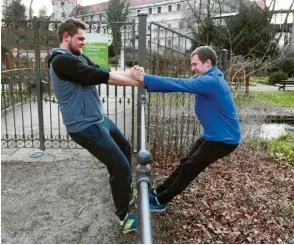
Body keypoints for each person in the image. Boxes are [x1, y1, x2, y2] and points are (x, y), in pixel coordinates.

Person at [48, 18, 144, 234]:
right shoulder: (61, 61)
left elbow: (101, 70)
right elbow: (99, 77)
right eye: (80, 38)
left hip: (98, 118)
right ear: (66, 37)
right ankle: (124, 216)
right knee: (118, 164)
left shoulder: (77, 56)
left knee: (126, 148)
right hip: (83, 126)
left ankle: (126, 189)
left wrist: (130, 73)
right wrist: (138, 83)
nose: (83, 42)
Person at [131, 46, 241, 212]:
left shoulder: (211, 81)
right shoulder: (209, 77)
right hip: (213, 135)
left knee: (189, 168)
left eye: (195, 64)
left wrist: (144, 78)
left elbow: (179, 84)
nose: (192, 68)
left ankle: (160, 201)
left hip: (224, 139)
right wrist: (143, 78)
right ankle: (159, 191)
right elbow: (178, 83)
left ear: (208, 63)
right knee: (186, 162)